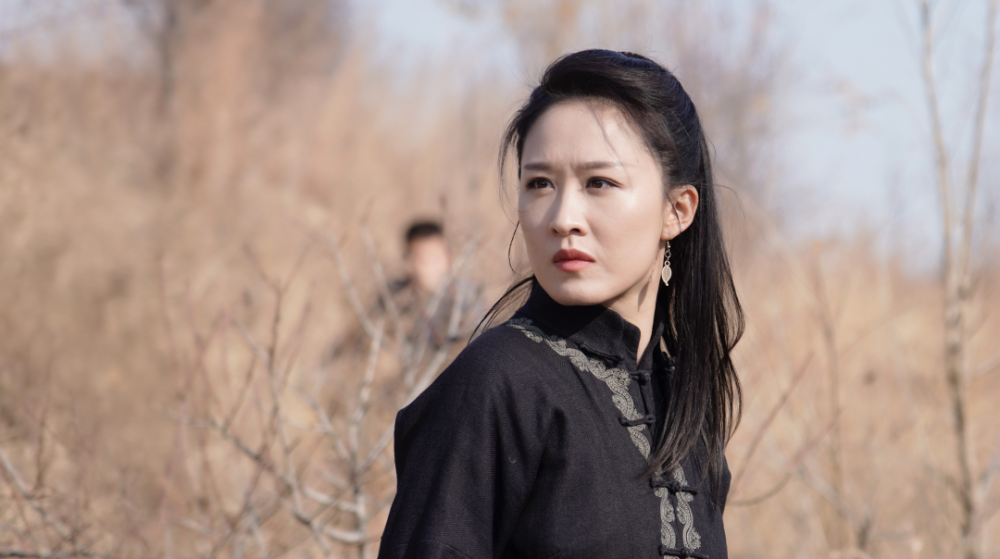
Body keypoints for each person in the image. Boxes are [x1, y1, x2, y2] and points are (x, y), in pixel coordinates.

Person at [378, 50, 744, 559]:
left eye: (599, 183)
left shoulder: (687, 411)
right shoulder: (495, 383)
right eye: (540, 184)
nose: (562, 217)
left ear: (676, 210)